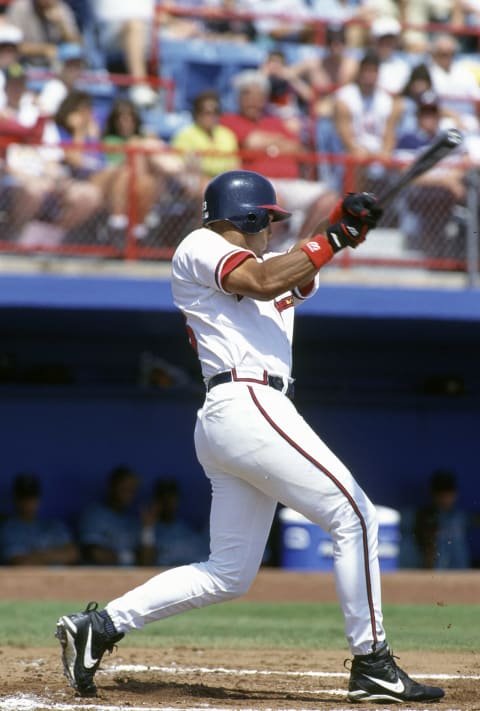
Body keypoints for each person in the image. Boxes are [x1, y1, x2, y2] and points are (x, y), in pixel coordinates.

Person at [55, 169, 444, 704]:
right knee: (354, 514)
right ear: (249, 217)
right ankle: (373, 662)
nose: (271, 230)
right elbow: (262, 280)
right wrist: (331, 234)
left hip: (242, 415)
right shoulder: (201, 245)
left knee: (229, 573)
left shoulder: (270, 265)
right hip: (247, 401)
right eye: (267, 220)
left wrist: (342, 225)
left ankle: (99, 628)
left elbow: (295, 272)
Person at [220, 69, 338, 244]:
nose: (254, 101)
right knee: (274, 198)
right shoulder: (230, 120)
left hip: (290, 182)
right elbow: (251, 142)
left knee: (329, 199)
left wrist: (268, 144)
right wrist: (279, 143)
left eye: (259, 96)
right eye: (248, 95)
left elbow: (298, 148)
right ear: (239, 98)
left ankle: (298, 249)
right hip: (257, 182)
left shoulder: (275, 121)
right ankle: (262, 251)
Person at [0, 473, 79, 565]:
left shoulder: (53, 525)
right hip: (30, 578)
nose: (28, 502)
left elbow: (73, 554)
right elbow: (21, 563)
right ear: (15, 499)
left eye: (32, 497)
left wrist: (39, 555)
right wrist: (56, 554)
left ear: (39, 498)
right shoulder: (9, 530)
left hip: (60, 578)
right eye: (24, 497)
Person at [91, 0, 158, 107]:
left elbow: (166, 12)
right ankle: (139, 84)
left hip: (152, 28)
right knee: (134, 26)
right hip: (111, 28)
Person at [399, 469, 471, 569]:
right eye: (441, 494)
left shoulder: (459, 518)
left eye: (448, 493)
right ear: (433, 494)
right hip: (419, 570)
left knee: (453, 540)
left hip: (454, 575)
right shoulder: (413, 516)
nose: (445, 498)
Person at [171, 89, 239, 193]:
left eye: (215, 111)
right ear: (197, 114)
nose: (211, 116)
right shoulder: (185, 135)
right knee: (204, 188)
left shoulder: (227, 134)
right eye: (206, 112)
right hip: (195, 182)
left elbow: (235, 165)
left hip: (224, 181)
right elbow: (185, 168)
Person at [77, 465, 146, 566]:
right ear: (112, 487)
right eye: (125, 488)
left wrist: (148, 529)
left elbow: (145, 561)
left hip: (131, 579)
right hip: (100, 578)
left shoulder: (134, 521)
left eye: (132, 490)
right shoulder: (94, 515)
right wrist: (129, 557)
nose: (129, 494)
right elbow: (94, 554)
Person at [139, 478, 209, 567]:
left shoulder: (186, 531)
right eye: (163, 496)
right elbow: (146, 563)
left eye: (171, 497)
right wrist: (148, 528)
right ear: (157, 500)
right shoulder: (149, 530)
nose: (167, 502)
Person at [5, 0, 81, 68]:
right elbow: (10, 47)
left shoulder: (61, 8)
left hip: (55, 68)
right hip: (23, 66)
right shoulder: (20, 8)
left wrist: (61, 26)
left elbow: (76, 44)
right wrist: (44, 50)